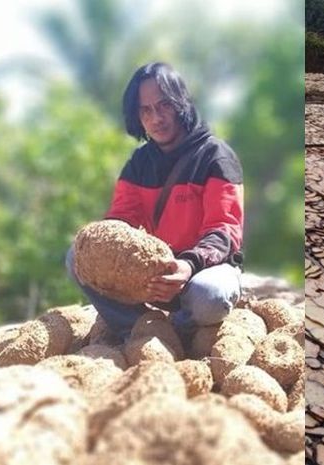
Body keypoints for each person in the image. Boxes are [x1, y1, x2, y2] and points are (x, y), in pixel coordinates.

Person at [66, 62, 244, 344]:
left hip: (204, 270)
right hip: (156, 276)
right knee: (77, 257)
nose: (156, 118)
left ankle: (183, 330)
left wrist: (187, 266)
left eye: (164, 106)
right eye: (145, 110)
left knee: (210, 296)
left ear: (181, 103)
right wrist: (101, 244)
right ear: (137, 116)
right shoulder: (139, 163)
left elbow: (224, 231)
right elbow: (121, 219)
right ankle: (141, 329)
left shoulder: (216, 157)